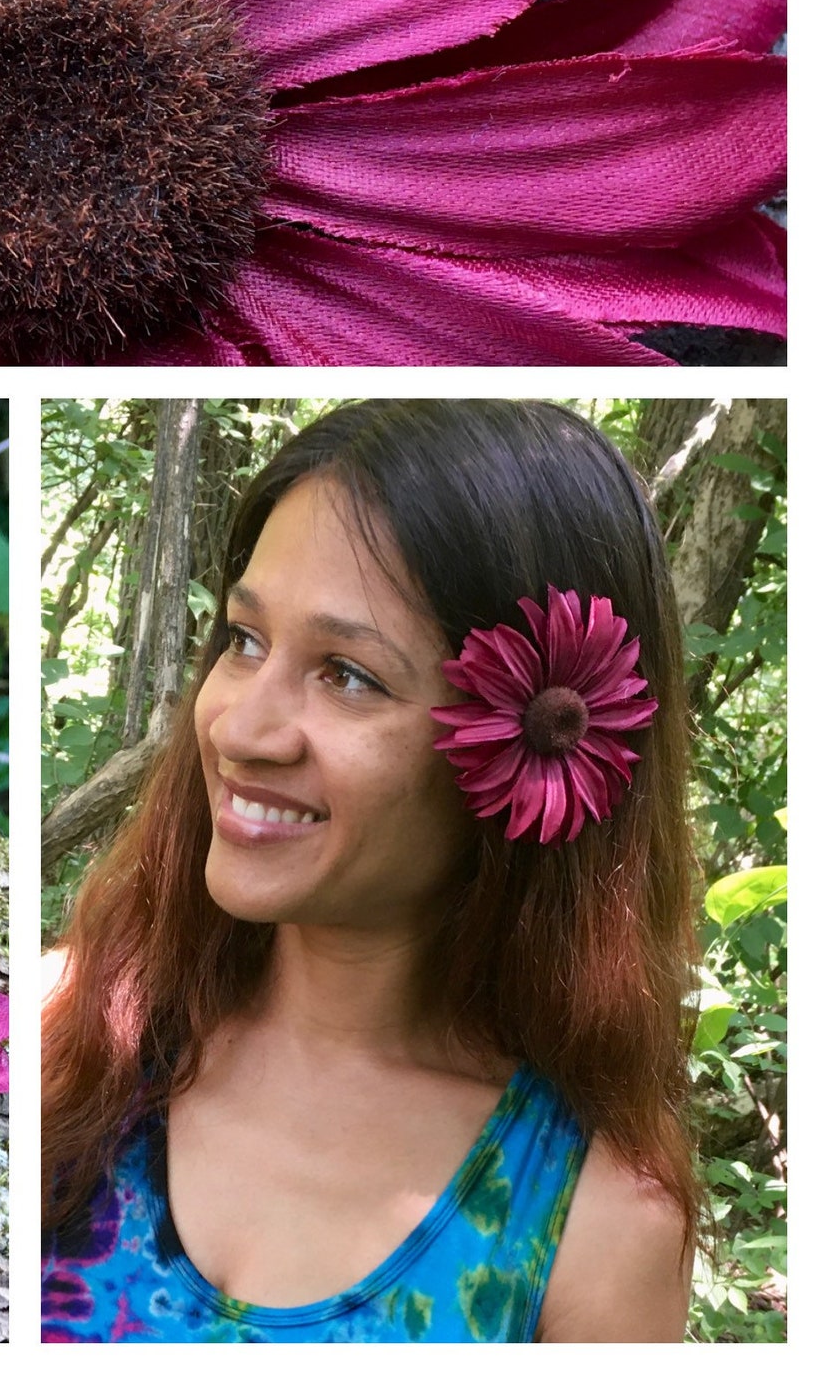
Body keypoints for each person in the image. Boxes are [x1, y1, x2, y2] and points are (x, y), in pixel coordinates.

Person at [41, 399, 699, 1343]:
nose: (240, 729)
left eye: (349, 674)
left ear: (550, 745)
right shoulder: (72, 1034)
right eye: (244, 640)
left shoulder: (592, 1226)